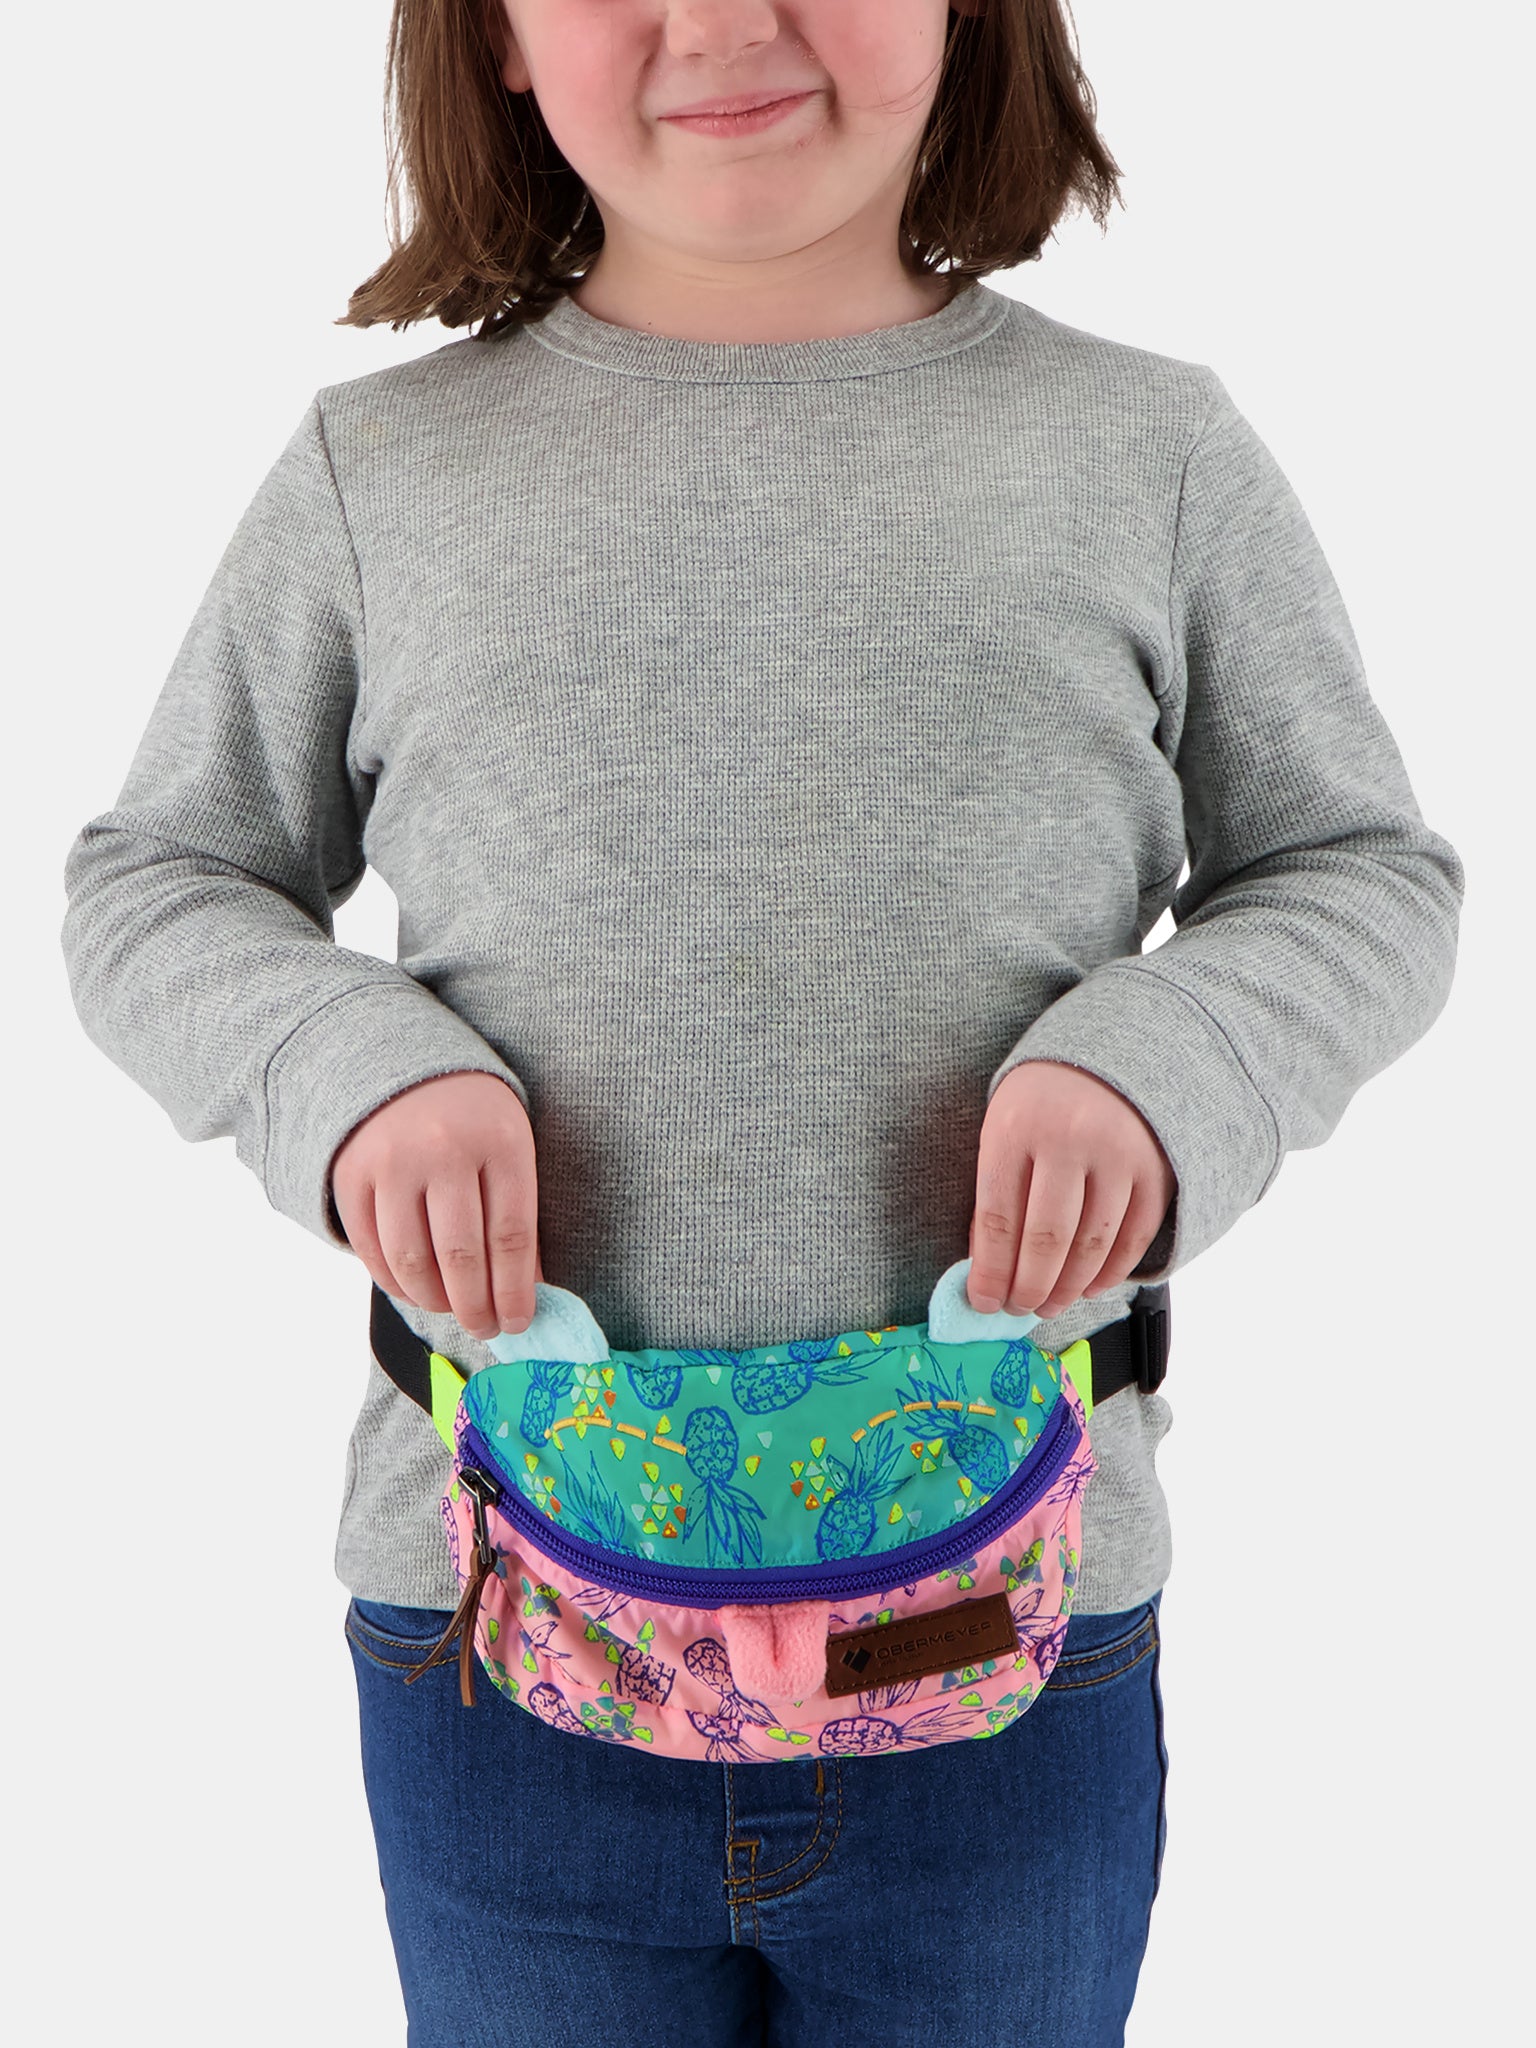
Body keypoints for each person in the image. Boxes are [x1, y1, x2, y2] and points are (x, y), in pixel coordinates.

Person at [57, 2, 1464, 2042]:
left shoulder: (1153, 452)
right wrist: (353, 1074)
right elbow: (161, 879)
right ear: (497, 37)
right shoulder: (380, 470)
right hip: (497, 1632)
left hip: (1015, 1629)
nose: (723, 19)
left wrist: (1165, 1064)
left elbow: (1355, 867)